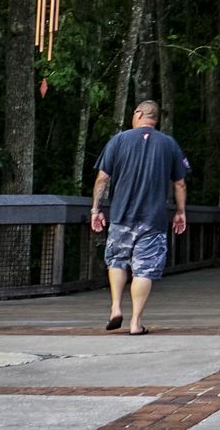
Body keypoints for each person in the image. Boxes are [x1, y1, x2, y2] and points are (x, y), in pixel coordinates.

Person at [88, 99, 188, 336]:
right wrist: (181, 212)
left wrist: (96, 209)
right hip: (153, 220)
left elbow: (102, 178)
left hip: (121, 215)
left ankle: (115, 308)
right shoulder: (169, 144)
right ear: (155, 119)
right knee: (144, 270)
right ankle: (136, 322)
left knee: (117, 261)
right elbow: (180, 182)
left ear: (138, 114)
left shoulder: (119, 140)